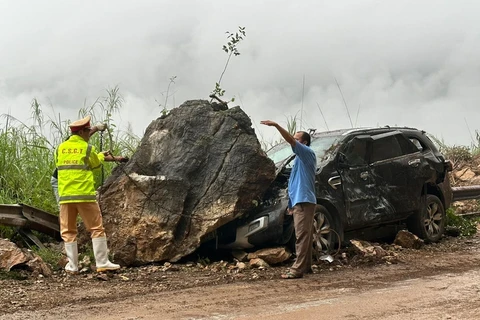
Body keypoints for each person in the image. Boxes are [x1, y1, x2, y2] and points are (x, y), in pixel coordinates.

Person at [55, 115, 127, 273]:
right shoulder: (88, 149)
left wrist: (95, 129)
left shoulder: (60, 148)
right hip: (84, 195)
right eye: (88, 131)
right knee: (96, 228)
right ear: (81, 132)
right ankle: (102, 263)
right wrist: (101, 155)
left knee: (68, 231)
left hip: (66, 196)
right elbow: (95, 164)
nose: (89, 133)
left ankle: (72, 266)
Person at [260, 120, 317, 279]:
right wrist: (291, 204)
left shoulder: (307, 153)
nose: (293, 140)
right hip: (300, 201)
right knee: (305, 234)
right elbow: (295, 184)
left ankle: (297, 269)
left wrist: (276, 126)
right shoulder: (299, 159)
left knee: (301, 236)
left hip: (304, 201)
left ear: (304, 143)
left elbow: (291, 141)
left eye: (296, 139)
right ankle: (306, 267)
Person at [50, 123, 106, 204]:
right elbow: (96, 163)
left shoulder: (64, 146)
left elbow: (84, 134)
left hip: (66, 182)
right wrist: (96, 128)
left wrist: (119, 158)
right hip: (59, 180)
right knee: (64, 205)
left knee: (67, 208)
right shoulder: (73, 145)